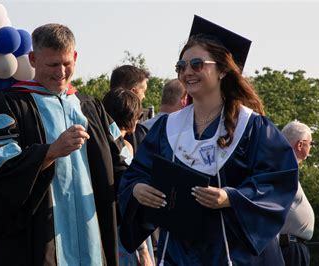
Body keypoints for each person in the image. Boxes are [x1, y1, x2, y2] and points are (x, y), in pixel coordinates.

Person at [117, 15, 299, 265]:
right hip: (178, 254)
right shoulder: (166, 128)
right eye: (181, 66)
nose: (187, 72)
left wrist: (231, 198)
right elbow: (136, 174)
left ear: (223, 69)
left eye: (197, 64)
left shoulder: (253, 128)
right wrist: (137, 189)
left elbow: (276, 184)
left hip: (233, 254)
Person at [0, 23, 125, 266]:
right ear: (32, 59)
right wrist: (49, 153)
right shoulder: (8, 105)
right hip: (39, 238)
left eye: (67, 63)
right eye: (52, 65)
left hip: (92, 234)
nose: (61, 72)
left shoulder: (92, 108)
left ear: (75, 57)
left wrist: (138, 185)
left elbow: (122, 162)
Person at [103, 89, 154, 266]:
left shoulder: (95, 147)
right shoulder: (124, 149)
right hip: (125, 232)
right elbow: (129, 202)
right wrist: (143, 251)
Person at [280, 121, 315, 266]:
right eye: (311, 143)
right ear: (300, 145)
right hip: (289, 248)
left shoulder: (286, 169)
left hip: (292, 246)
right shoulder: (282, 169)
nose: (312, 147)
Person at [110, 65, 150, 152]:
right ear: (132, 92)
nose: (144, 97)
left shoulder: (95, 124)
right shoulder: (140, 136)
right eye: (143, 91)